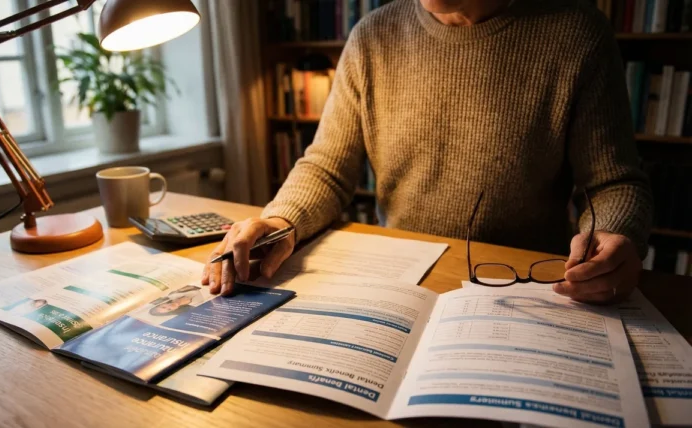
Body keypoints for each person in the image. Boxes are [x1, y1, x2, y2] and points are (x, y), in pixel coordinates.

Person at [203, 0, 651, 304]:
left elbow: (614, 181)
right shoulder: (373, 37)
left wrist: (614, 236)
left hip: (522, 287)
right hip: (401, 281)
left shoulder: (576, 33)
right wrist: (280, 223)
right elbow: (326, 168)